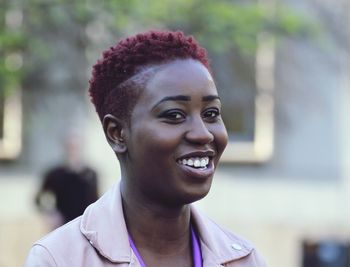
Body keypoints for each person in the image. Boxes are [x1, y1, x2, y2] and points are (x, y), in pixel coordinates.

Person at [25, 30, 266, 266]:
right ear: (117, 133)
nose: (203, 133)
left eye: (211, 113)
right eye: (174, 115)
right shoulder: (58, 259)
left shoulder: (244, 259)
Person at [35, 132, 99, 229]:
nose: (73, 150)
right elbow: (38, 198)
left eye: (75, 147)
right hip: (62, 227)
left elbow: (96, 201)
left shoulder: (91, 174)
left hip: (85, 227)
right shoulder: (55, 174)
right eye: (70, 147)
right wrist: (50, 214)